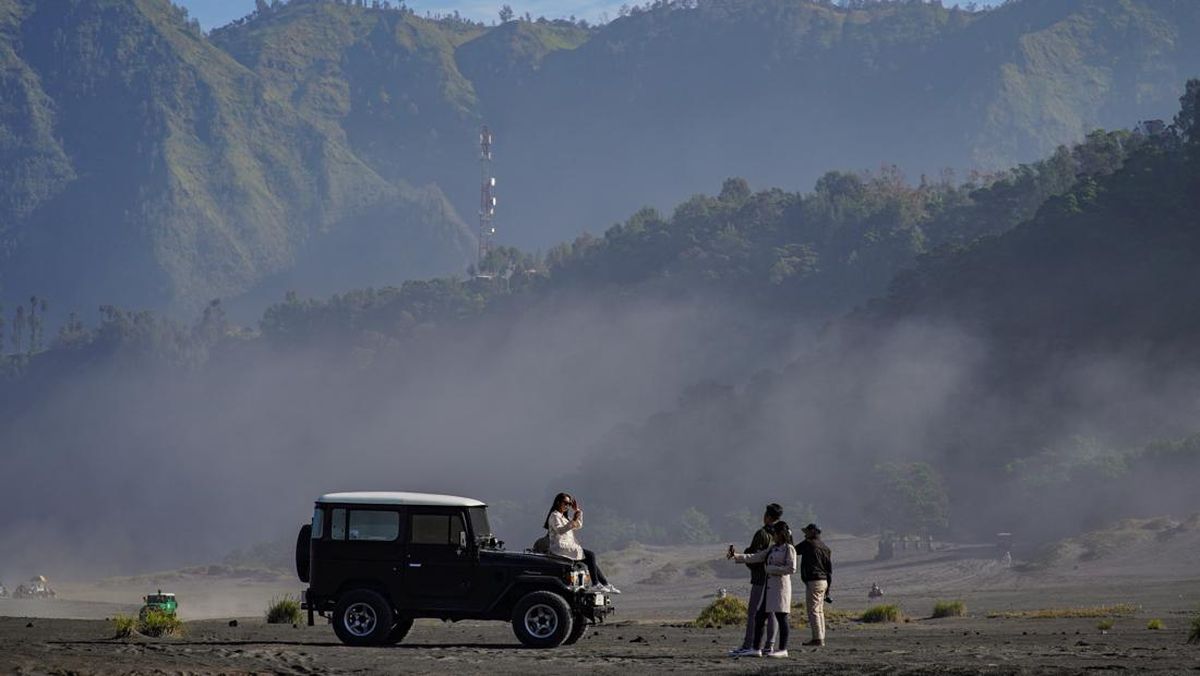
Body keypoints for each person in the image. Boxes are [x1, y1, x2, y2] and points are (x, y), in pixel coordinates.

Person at [730, 520, 796, 658]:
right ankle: (756, 648)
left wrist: (772, 569)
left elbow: (791, 568)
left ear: (781, 534)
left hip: (781, 588)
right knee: (760, 617)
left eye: (775, 534)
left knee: (781, 617)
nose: (774, 536)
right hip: (770, 588)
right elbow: (756, 557)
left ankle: (783, 649)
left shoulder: (789, 549)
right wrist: (736, 556)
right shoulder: (772, 548)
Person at [726, 503, 782, 657]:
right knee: (771, 613)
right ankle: (769, 646)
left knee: (753, 612)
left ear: (768, 517)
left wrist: (742, 554)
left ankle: (749, 645)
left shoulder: (762, 534)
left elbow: (756, 556)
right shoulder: (781, 534)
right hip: (775, 579)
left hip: (760, 579)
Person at [543, 492, 620, 594]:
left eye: (569, 504)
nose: (567, 506)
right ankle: (596, 584)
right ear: (558, 502)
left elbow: (578, 525)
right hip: (560, 547)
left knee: (590, 561)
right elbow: (560, 530)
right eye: (565, 503)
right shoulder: (554, 516)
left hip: (568, 547)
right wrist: (573, 519)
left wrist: (577, 511)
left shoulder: (564, 518)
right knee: (590, 555)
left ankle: (604, 584)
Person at [796, 523, 833, 647]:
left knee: (813, 611)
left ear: (812, 532)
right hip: (824, 581)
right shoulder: (826, 548)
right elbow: (829, 570)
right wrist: (828, 590)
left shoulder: (808, 544)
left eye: (807, 531)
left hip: (814, 580)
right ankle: (820, 637)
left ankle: (817, 639)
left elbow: (794, 550)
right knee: (819, 611)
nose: (805, 534)